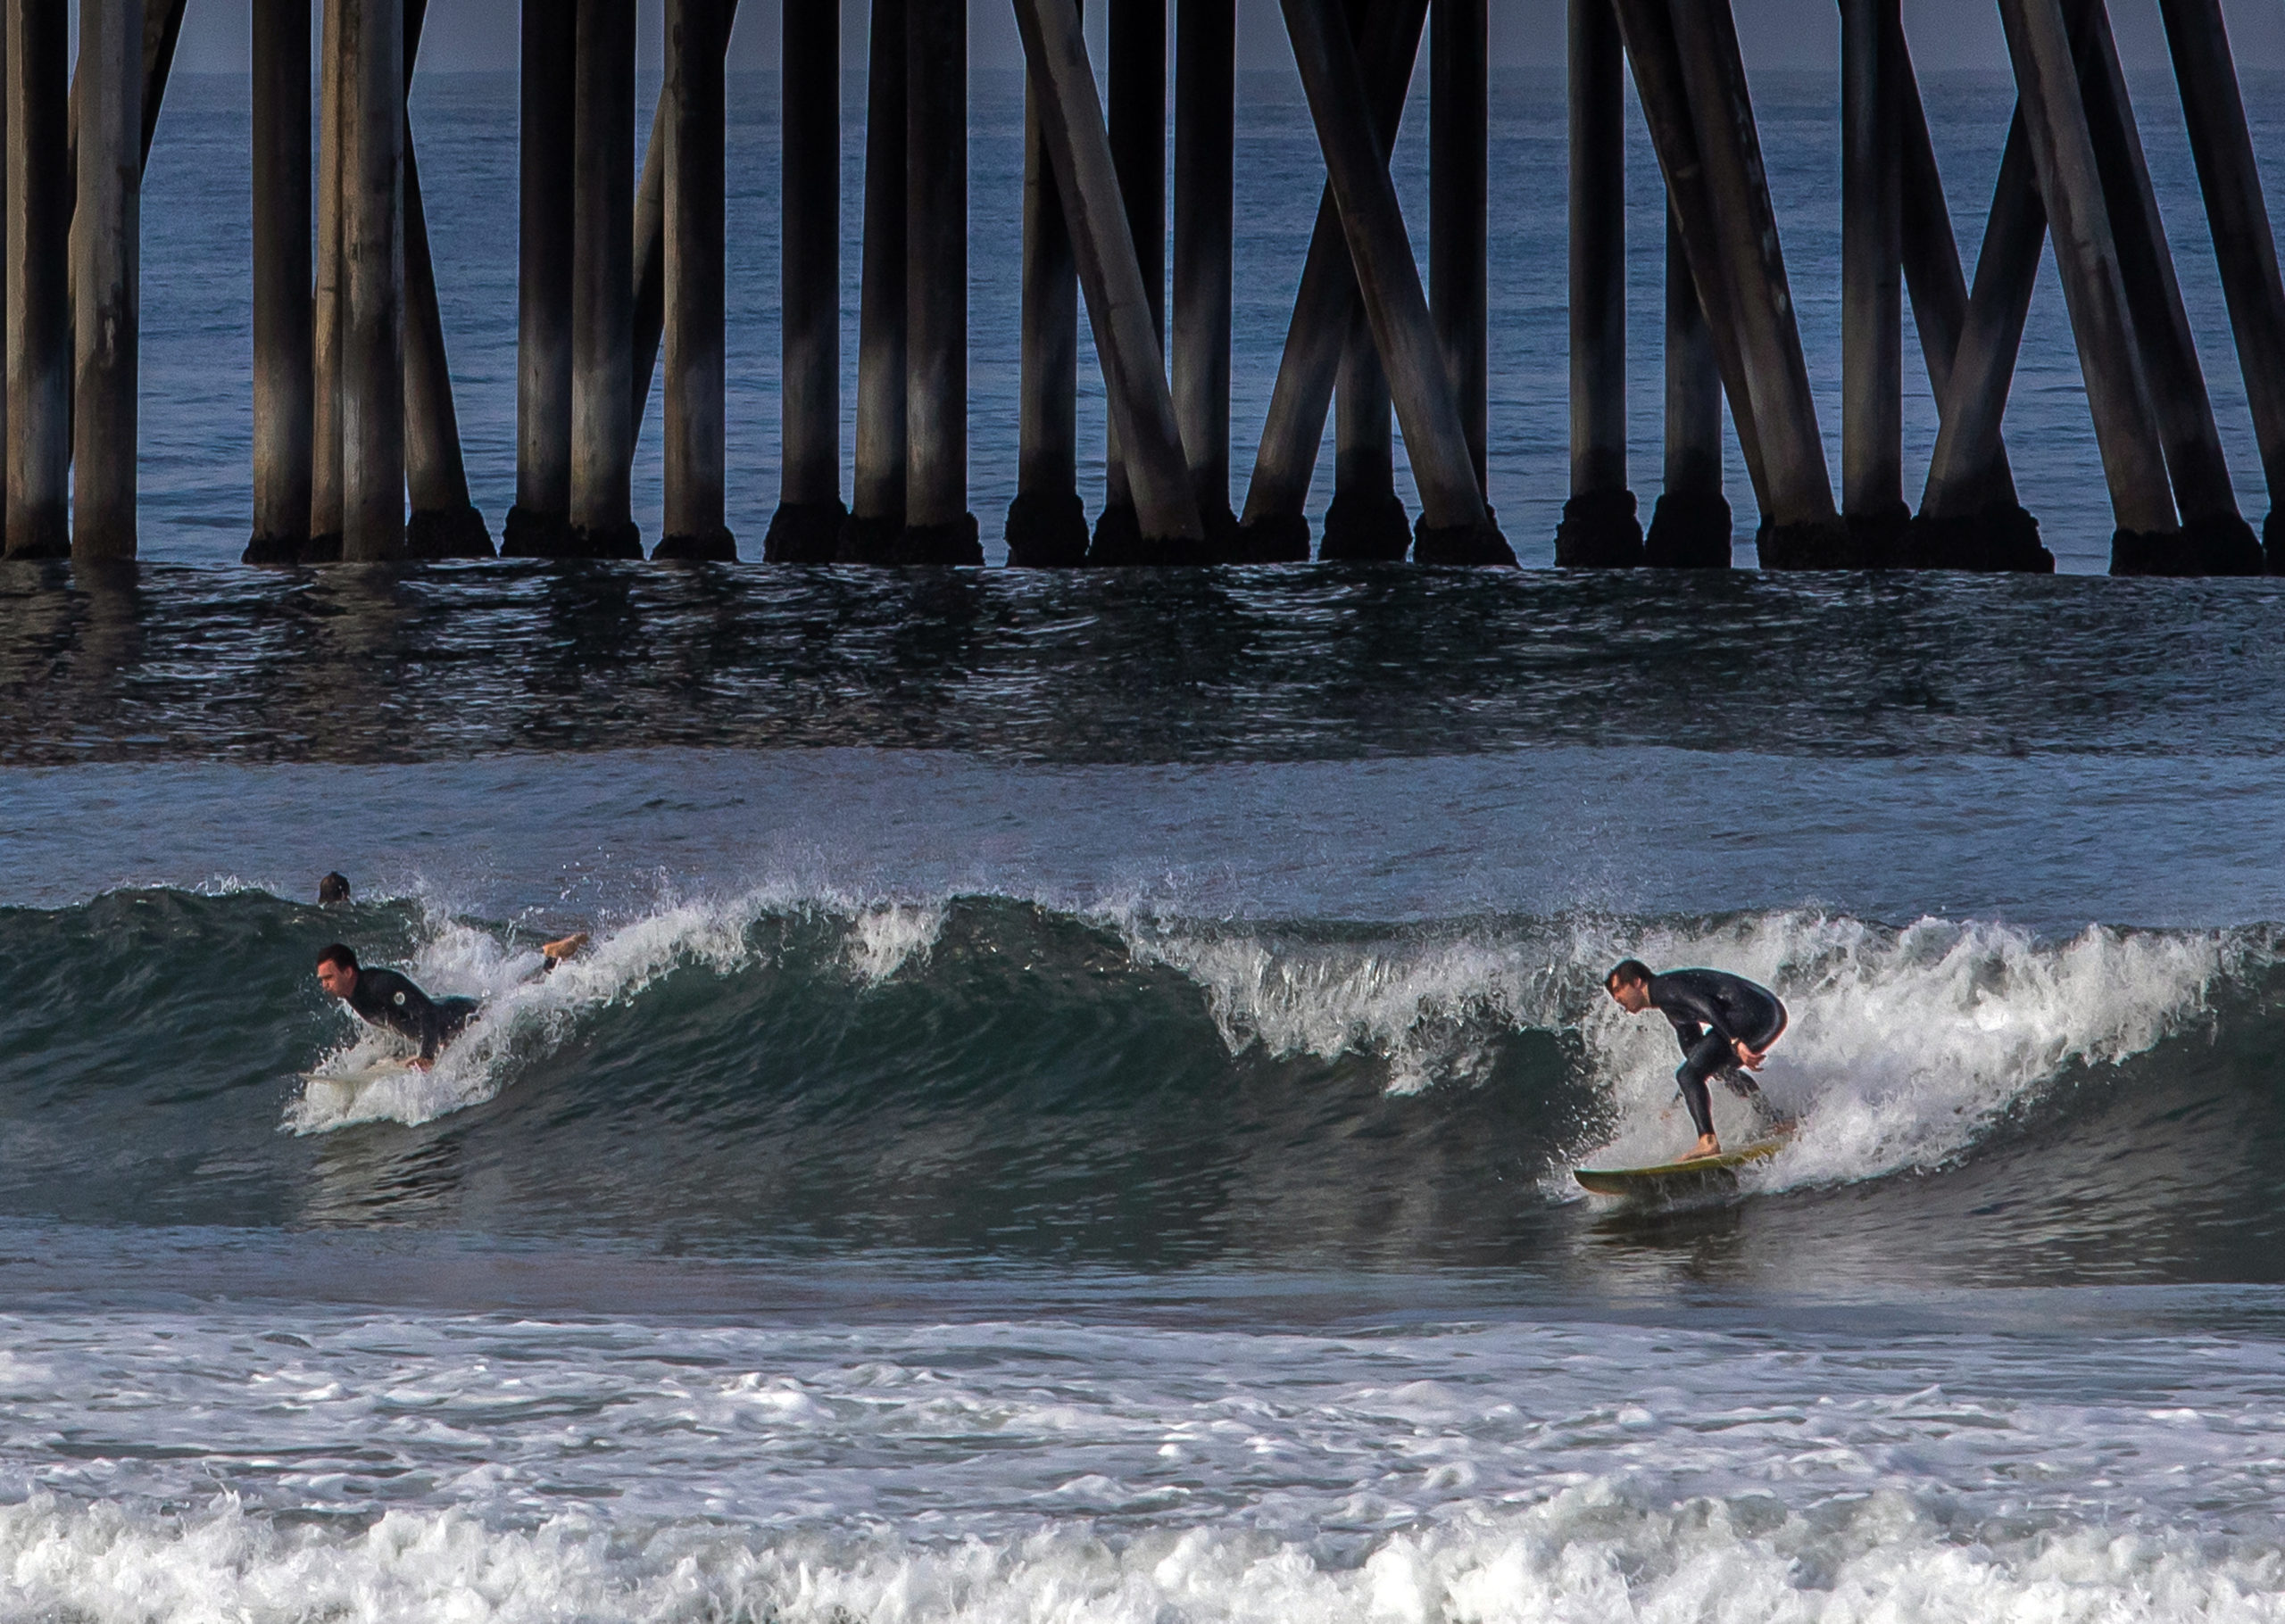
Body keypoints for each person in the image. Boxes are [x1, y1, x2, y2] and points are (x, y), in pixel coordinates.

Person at [1605, 959, 1789, 1162]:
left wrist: (1736, 1042)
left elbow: (1705, 1005)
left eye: (1619, 988)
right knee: (1718, 1070)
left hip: (1755, 1013)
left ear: (1638, 981)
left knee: (1688, 1074)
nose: (1617, 997)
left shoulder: (1663, 988)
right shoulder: (1670, 1005)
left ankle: (1708, 1142)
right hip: (1770, 1012)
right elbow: (1697, 1062)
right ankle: (1775, 1120)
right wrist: (1675, 1104)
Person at [314, 943, 478, 1070]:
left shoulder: (380, 985)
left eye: (328, 977)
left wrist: (427, 1057)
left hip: (465, 1018)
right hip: (445, 1031)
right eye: (322, 979)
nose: (324, 985)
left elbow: (428, 1012)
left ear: (348, 973)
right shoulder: (349, 993)